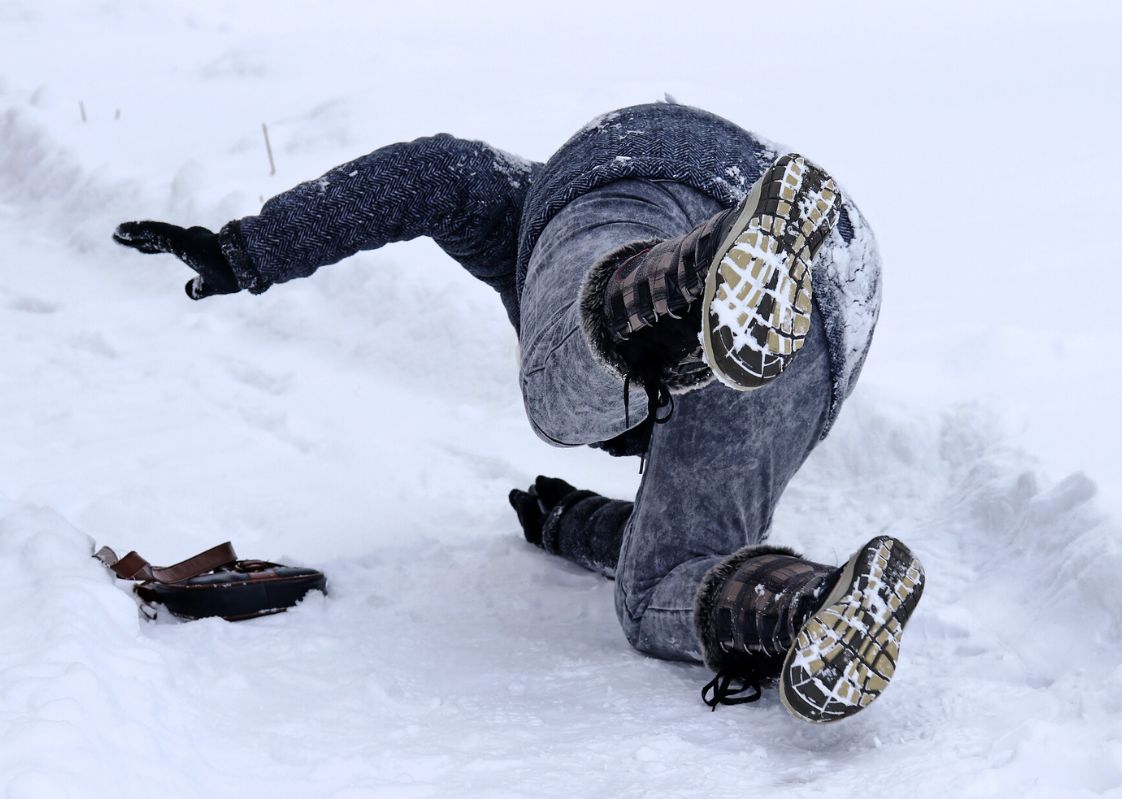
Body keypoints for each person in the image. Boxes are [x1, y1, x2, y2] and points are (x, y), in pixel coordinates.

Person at [113, 101, 925, 723]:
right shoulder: (737, 350)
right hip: (836, 294)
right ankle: (814, 611)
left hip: (634, 168)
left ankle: (694, 270)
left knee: (562, 394)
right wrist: (569, 523)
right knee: (657, 591)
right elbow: (647, 531)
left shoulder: (523, 203)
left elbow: (433, 173)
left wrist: (250, 248)